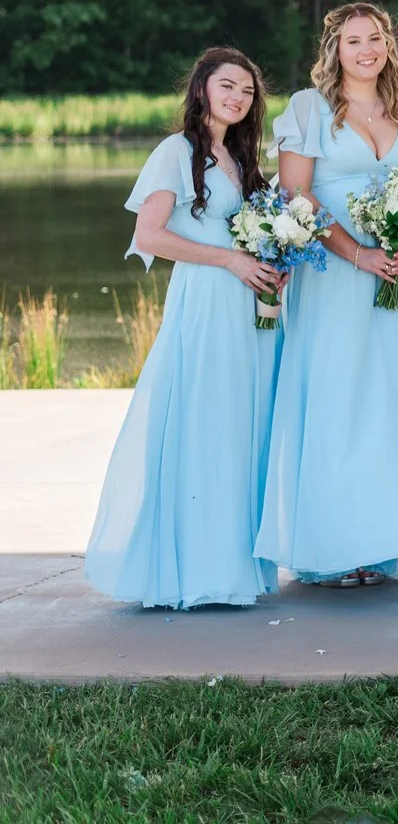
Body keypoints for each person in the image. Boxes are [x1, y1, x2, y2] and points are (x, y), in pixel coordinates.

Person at [259, 3, 398, 590]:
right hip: (330, 272)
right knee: (335, 396)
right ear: (334, 50)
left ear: (389, 46)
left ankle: (379, 546)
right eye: (352, 41)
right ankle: (330, 550)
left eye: (375, 39)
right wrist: (357, 253)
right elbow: (297, 194)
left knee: (383, 401)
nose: (366, 49)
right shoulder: (309, 108)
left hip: (388, 279)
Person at [85, 48, 284, 609]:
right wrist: (229, 261)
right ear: (201, 89)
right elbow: (149, 236)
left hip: (248, 304)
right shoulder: (176, 151)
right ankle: (198, 569)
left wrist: (272, 264)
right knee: (206, 420)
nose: (238, 97)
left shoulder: (239, 156)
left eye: (247, 91)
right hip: (206, 300)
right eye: (227, 86)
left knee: (242, 422)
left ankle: (236, 561)